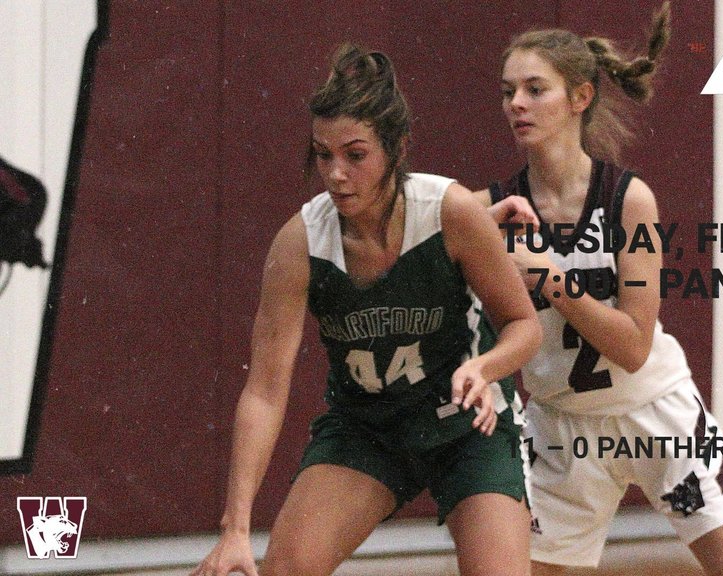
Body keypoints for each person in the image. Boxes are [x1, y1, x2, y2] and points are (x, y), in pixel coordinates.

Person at [192, 43, 541, 576]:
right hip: (368, 430)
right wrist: (236, 527)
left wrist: (484, 367)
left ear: (397, 149)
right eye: (323, 154)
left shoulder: (450, 211)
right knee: (287, 569)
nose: (335, 173)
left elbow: (524, 326)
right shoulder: (300, 243)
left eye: (355, 155)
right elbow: (264, 390)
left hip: (468, 429)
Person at [478, 4, 723, 575]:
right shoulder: (495, 208)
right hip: (561, 427)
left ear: (580, 97)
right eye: (509, 90)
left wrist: (548, 279)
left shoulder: (628, 200)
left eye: (535, 89)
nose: (516, 103)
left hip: (656, 414)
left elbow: (634, 346)